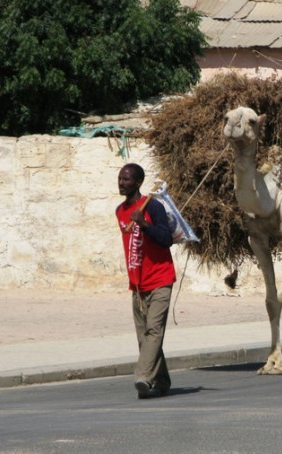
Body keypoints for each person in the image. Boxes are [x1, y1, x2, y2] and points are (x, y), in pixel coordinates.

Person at [116, 163, 176, 399]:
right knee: (144, 338)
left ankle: (142, 376)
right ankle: (161, 382)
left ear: (139, 183)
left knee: (153, 332)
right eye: (120, 178)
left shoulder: (154, 206)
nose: (121, 183)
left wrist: (144, 224)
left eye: (127, 179)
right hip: (138, 284)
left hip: (160, 278)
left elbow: (166, 239)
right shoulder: (120, 211)